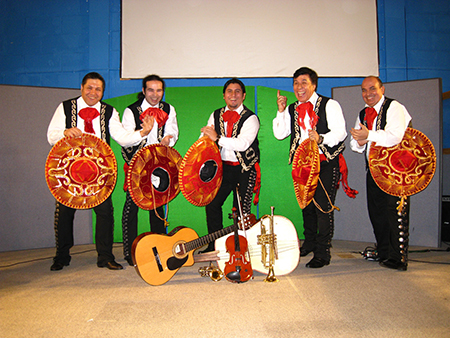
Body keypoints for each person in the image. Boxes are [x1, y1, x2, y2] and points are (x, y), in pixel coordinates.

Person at [47, 72, 153, 271]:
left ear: (102, 92)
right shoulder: (65, 107)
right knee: (64, 214)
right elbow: (50, 135)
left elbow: (121, 137)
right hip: (69, 172)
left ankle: (105, 257)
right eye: (89, 88)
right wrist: (64, 132)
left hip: (99, 172)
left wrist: (143, 133)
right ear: (81, 87)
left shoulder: (109, 112)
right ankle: (61, 256)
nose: (93, 92)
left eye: (98, 89)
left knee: (105, 213)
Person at [273, 67, 347, 268]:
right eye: (296, 83)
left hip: (325, 162)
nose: (299, 87)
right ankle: (310, 242)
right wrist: (281, 112)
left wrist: (322, 138)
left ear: (314, 85)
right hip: (302, 164)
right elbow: (280, 134)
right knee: (306, 205)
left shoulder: (330, 105)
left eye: (304, 82)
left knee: (323, 208)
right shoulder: (291, 108)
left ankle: (323, 252)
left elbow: (341, 132)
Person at [350, 76, 411, 271]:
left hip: (395, 172)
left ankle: (397, 257)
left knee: (394, 213)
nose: (368, 94)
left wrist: (368, 136)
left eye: (372, 88)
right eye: (364, 90)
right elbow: (354, 143)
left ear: (382, 89)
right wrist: (360, 142)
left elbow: (395, 136)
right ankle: (385, 253)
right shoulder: (363, 113)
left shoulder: (394, 107)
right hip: (373, 171)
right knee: (376, 213)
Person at [121, 74, 179, 266]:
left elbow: (174, 130)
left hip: (160, 165)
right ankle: (130, 252)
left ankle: (160, 248)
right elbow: (126, 138)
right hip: (138, 165)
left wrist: (168, 139)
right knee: (132, 207)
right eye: (151, 90)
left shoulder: (169, 109)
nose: (155, 95)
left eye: (159, 90)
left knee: (157, 206)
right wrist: (143, 133)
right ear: (144, 91)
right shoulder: (131, 111)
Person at [200, 78, 260, 252]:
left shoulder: (251, 118)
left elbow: (242, 144)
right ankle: (214, 244)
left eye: (237, 91)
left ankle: (239, 248)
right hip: (222, 169)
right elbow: (204, 137)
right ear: (224, 96)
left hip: (245, 169)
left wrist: (217, 138)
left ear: (243, 95)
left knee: (240, 212)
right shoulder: (215, 114)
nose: (233, 95)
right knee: (212, 205)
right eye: (229, 91)